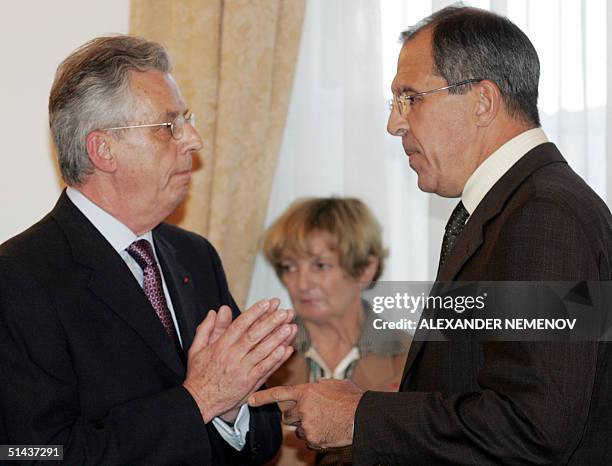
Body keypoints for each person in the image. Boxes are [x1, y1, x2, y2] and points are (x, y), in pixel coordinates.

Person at [250, 5, 612, 465]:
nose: (394, 124)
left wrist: (361, 416)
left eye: (411, 97)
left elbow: (533, 427)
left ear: (483, 101)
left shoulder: (543, 216)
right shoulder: (514, 206)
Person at [0, 35, 298, 465]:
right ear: (104, 149)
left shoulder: (196, 256)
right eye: (169, 126)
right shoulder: (19, 280)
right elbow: (34, 455)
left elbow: (261, 433)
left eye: (187, 120)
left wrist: (231, 408)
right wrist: (198, 400)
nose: (193, 139)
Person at [261, 197, 410, 465]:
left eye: (320, 265)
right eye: (289, 266)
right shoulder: (263, 358)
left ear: (365, 268)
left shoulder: (413, 356)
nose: (301, 283)